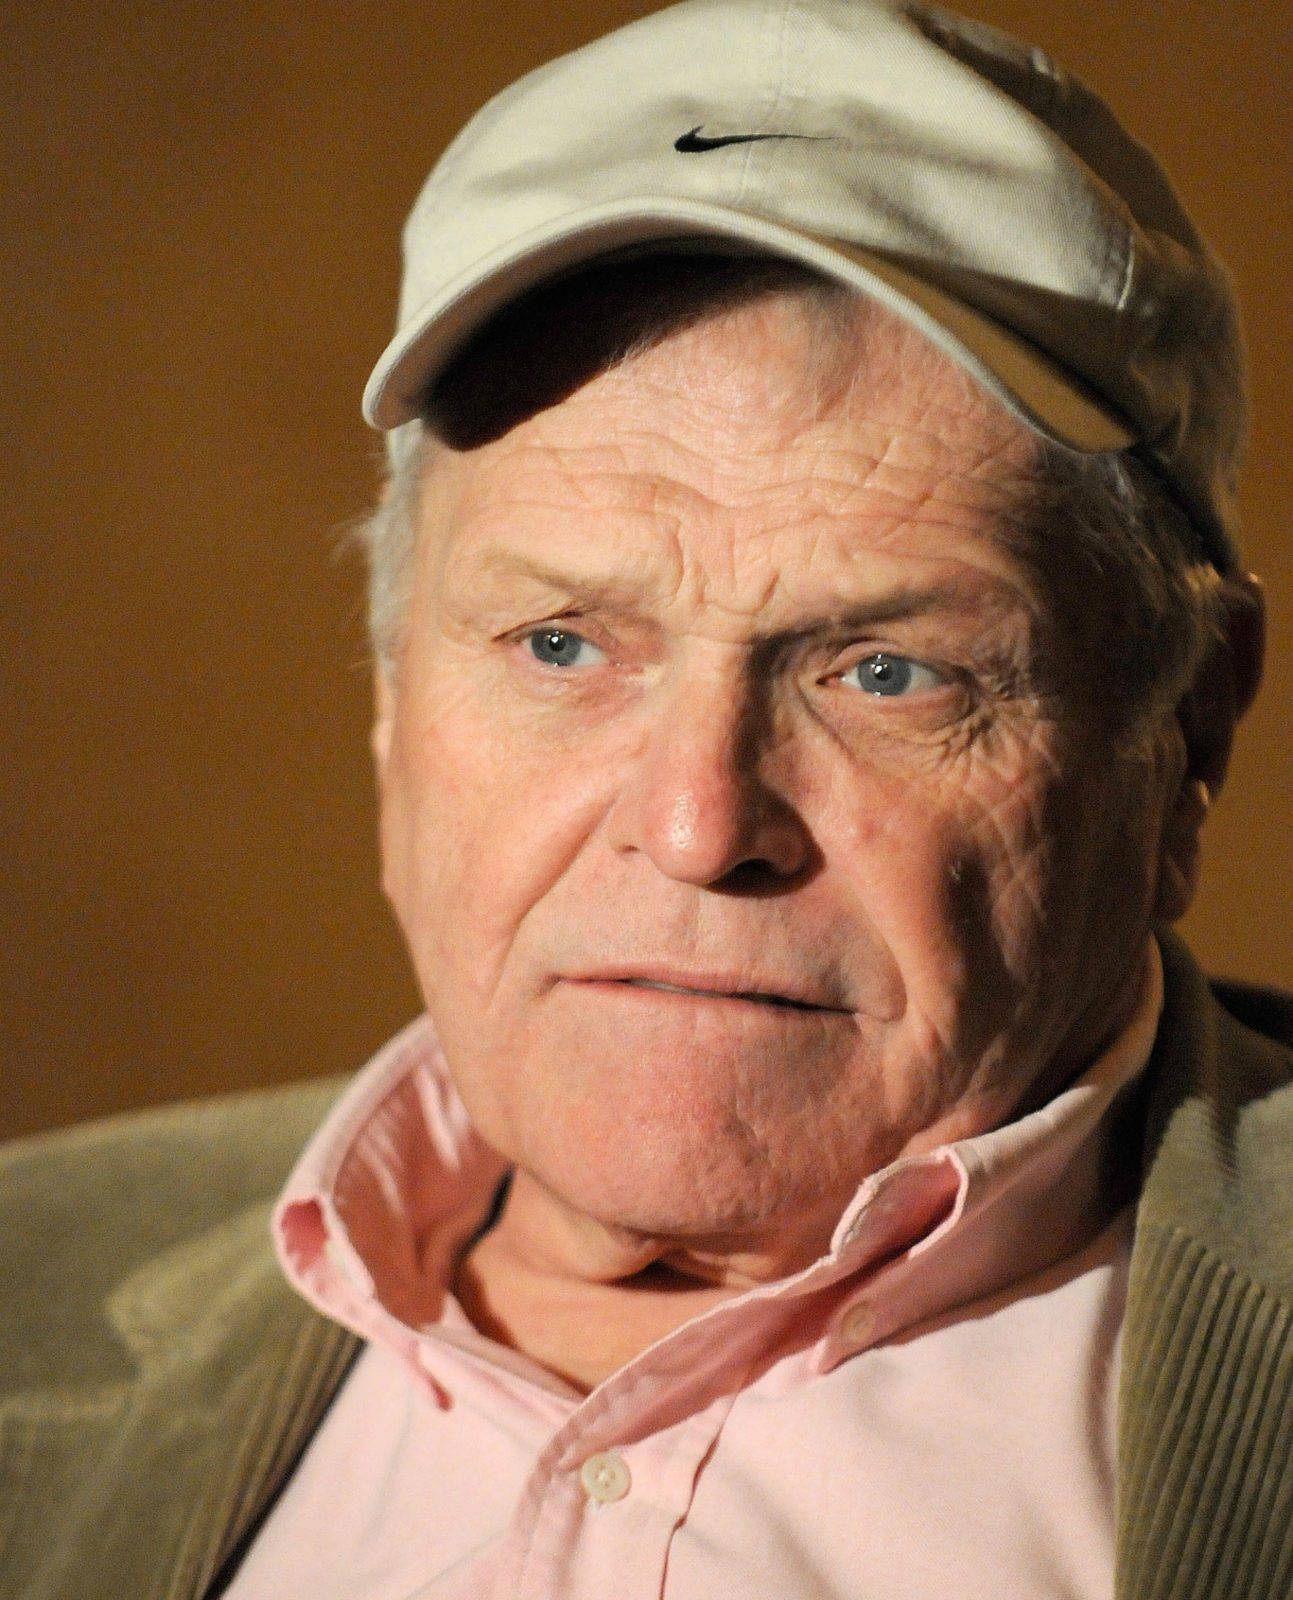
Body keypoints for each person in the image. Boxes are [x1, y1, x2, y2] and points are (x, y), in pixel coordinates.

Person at [3, 1, 1290, 1596]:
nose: (695, 825)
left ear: (1189, 733)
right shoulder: (24, 1284)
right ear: (396, 697)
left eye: (885, 671)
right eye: (560, 643)